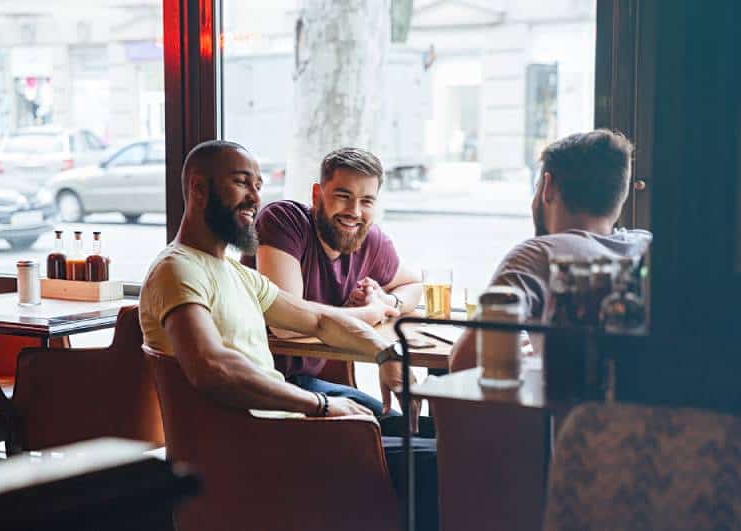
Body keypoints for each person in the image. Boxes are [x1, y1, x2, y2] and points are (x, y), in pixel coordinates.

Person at [139, 140, 437, 530]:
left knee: (434, 443)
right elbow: (212, 368)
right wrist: (321, 405)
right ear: (199, 187)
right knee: (440, 463)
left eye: (259, 185)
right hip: (259, 451)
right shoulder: (177, 270)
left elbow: (318, 320)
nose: (254, 198)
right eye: (241, 183)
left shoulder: (236, 274)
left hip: (279, 434)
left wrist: (386, 353)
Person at [241, 147, 422, 417]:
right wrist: (369, 314)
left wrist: (388, 301)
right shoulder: (284, 221)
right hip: (266, 388)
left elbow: (413, 284)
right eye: (343, 196)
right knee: (405, 437)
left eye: (367, 201)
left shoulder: (370, 240)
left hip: (310, 385)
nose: (354, 211)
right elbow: (284, 326)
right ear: (317, 195)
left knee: (418, 431)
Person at [450, 129, 652, 371]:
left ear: (547, 187)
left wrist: (528, 365)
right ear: (620, 196)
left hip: (568, 407)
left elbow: (463, 363)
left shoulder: (537, 255)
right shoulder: (649, 246)